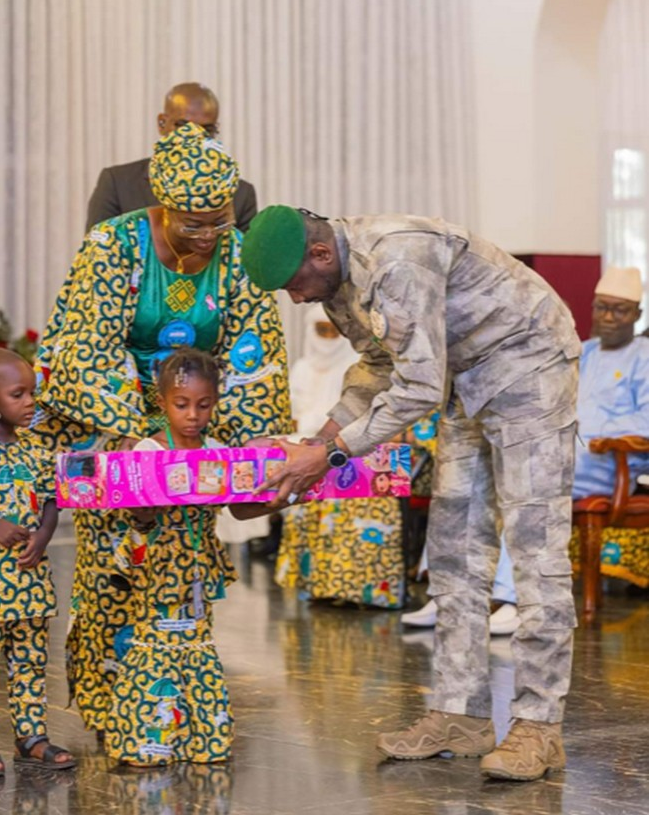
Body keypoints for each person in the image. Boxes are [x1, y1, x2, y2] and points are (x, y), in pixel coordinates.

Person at [240, 205, 581, 782]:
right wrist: (316, 445)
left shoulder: (398, 258)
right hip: (461, 379)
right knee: (452, 554)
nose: (297, 300)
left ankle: (539, 727)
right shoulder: (336, 283)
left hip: (529, 366)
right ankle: (460, 714)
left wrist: (326, 455)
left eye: (295, 285)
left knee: (535, 551)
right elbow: (378, 368)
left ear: (320, 255)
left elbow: (416, 388)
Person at [32, 124, 291, 740]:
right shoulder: (111, 245)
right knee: (116, 570)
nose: (206, 236)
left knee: (184, 571)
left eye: (218, 220)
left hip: (198, 425)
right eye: (192, 222)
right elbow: (83, 347)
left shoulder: (236, 255)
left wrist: (246, 448)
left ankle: (176, 703)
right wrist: (135, 433)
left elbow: (254, 355)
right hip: (118, 431)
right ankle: (108, 699)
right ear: (161, 206)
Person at [106, 348, 271, 766]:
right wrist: (145, 491)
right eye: (181, 405)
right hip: (158, 566)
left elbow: (240, 507)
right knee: (157, 646)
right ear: (162, 403)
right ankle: (148, 743)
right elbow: (136, 513)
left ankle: (204, 742)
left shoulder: (217, 449)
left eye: (203, 405)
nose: (193, 415)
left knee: (196, 644)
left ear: (215, 402)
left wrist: (284, 495)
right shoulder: (147, 450)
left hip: (199, 566)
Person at [482, 265, 649, 624]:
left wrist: (593, 431)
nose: (607, 317)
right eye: (601, 307)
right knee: (481, 478)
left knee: (533, 491)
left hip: (606, 462)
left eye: (619, 310)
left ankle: (515, 602)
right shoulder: (581, 352)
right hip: (557, 452)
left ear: (637, 315)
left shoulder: (644, 357)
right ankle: (456, 597)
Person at [276, 304, 405, 608]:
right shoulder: (302, 368)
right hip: (309, 450)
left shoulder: (361, 366)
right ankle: (322, 588)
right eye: (321, 330)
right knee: (316, 529)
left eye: (333, 331)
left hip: (356, 453)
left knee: (361, 530)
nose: (327, 338)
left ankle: (368, 593)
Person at [0, 349, 75, 773]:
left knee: (29, 660)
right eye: (17, 394)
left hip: (28, 583)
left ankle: (31, 737)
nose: (30, 402)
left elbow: (50, 499)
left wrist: (43, 536)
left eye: (32, 393)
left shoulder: (35, 449)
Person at [86, 82, 257, 232]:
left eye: (207, 129)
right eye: (184, 126)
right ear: (162, 123)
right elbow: (96, 249)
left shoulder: (239, 194)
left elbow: (243, 265)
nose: (194, 136)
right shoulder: (118, 183)